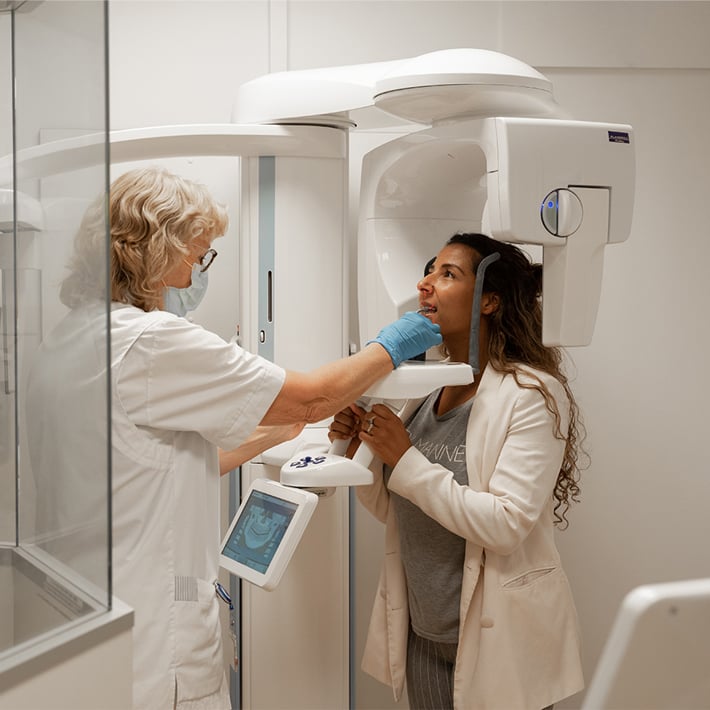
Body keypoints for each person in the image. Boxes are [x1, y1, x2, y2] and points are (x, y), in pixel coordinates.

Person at [25, 166, 441, 710]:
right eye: (197, 256)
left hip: (85, 616)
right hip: (151, 635)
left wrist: (276, 433)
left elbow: (150, 461)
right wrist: (389, 345)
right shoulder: (150, 341)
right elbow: (313, 396)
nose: (193, 276)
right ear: (160, 247)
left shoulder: (65, 341)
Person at [329, 232, 586, 710]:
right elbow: (398, 509)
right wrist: (360, 449)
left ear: (489, 301)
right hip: (424, 636)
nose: (424, 284)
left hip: (501, 640)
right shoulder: (425, 389)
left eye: (447, 274)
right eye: (429, 271)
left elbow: (505, 524)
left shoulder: (531, 394)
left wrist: (404, 457)